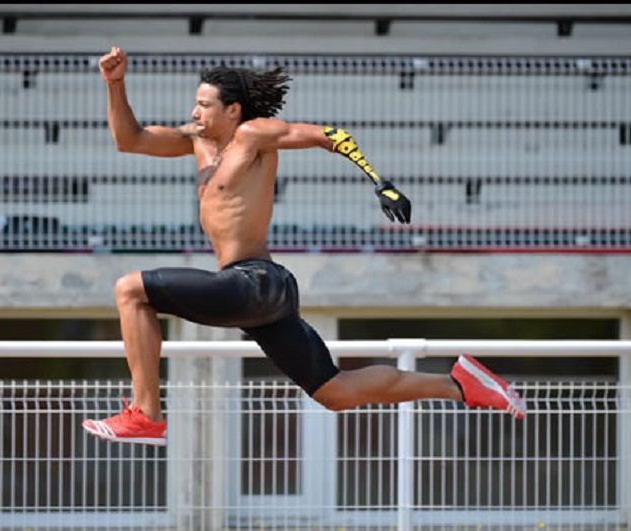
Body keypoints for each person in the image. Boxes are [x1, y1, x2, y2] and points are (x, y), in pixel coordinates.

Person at [82, 47, 526, 445]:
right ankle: (459, 385)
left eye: (204, 105)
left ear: (232, 109)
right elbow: (130, 139)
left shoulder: (254, 135)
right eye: (195, 104)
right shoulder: (196, 141)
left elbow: (330, 135)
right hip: (261, 292)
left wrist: (380, 182)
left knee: (130, 289)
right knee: (335, 392)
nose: (194, 112)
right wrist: (115, 84)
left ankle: (146, 415)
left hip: (255, 282)